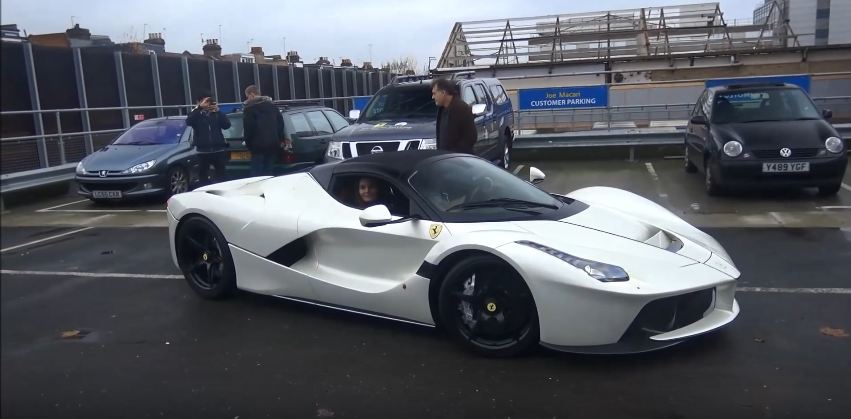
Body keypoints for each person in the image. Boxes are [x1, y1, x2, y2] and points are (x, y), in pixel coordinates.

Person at [186, 92, 230, 185]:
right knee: (203, 175)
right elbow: (189, 121)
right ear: (198, 102)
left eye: (209, 101)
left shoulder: (215, 113)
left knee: (221, 175)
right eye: (205, 101)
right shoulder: (195, 113)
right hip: (203, 151)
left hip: (218, 149)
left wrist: (219, 112)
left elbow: (227, 125)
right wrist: (200, 108)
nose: (208, 104)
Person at [243, 85, 285, 177]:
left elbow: (248, 128)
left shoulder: (249, 109)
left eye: (247, 96)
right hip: (273, 143)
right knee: (269, 170)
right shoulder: (272, 106)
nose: (247, 99)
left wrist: (248, 143)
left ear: (252, 94)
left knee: (256, 172)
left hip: (257, 146)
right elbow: (280, 124)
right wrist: (280, 139)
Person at [431, 78, 477, 154]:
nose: (432, 97)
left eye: (434, 93)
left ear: (443, 92)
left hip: (459, 160)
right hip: (444, 158)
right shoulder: (442, 110)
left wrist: (454, 155)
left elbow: (471, 137)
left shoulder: (462, 109)